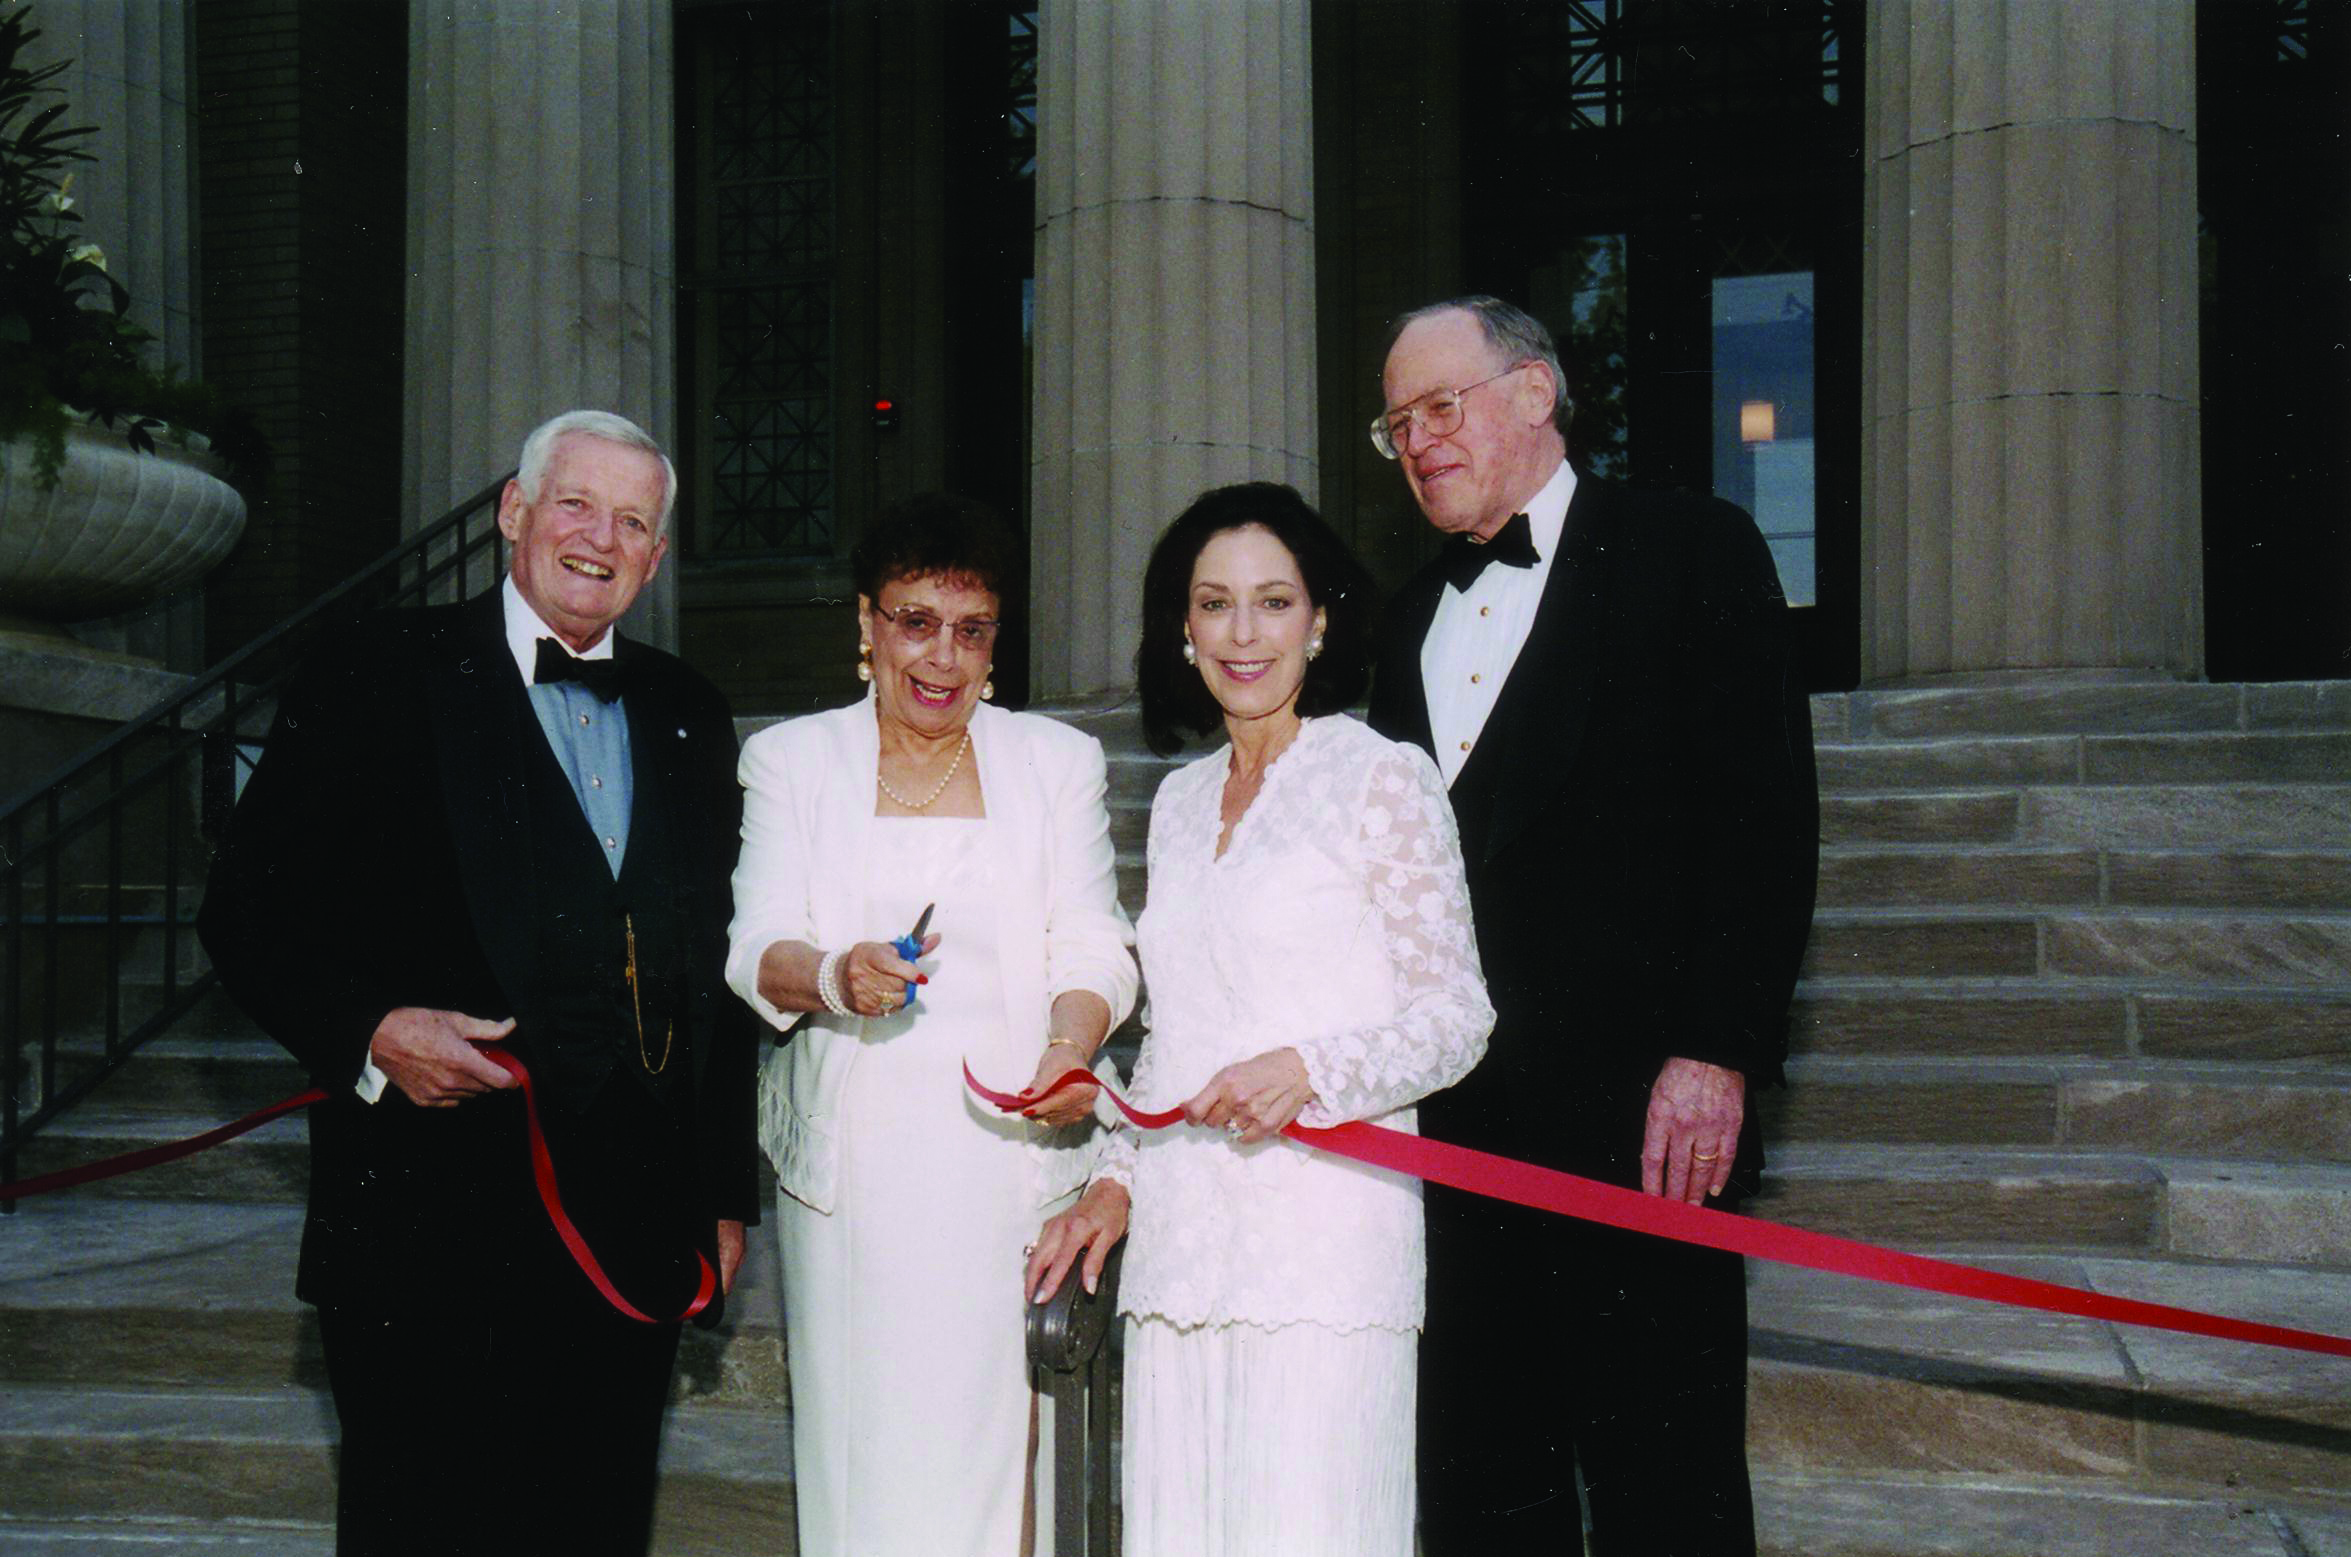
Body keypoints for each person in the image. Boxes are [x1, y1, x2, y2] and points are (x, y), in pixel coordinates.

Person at [197, 410, 759, 1556]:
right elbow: (243, 913)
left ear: (655, 560)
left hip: (628, 1225)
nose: (599, 538)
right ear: (514, 510)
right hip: (420, 1221)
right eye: (576, 504)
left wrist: (719, 1190)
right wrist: (370, 1029)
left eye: (633, 521)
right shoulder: (374, 669)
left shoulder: (689, 710)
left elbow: (718, 975)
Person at [1365, 296, 1819, 1554]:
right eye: (1395, 422)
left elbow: (1761, 824)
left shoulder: (1691, 547)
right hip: (1455, 1148)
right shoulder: (1406, 621)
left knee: (1661, 1501)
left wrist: (1714, 1050)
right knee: (1476, 1498)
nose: (1416, 441)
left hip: (1643, 1129)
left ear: (1531, 395)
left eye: (1438, 406)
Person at [1027, 481, 1494, 1556]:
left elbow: (1457, 1016)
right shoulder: (1182, 804)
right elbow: (1174, 1044)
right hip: (1185, 1252)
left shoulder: (1382, 778)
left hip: (1324, 1246)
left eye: (1273, 602)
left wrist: (1311, 1067)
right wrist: (1111, 1180)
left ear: (1319, 621)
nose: (1243, 633)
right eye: (1213, 603)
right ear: (1181, 629)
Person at [726, 492, 1139, 1557]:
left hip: (1010, 1175)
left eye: (971, 628)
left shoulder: (1054, 764)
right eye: (914, 621)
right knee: (868, 1474)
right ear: (865, 623)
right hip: (855, 1195)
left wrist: (1067, 1049)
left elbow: (1094, 943)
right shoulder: (791, 762)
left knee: (1004, 1478)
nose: (942, 656)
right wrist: (831, 973)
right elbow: (754, 945)